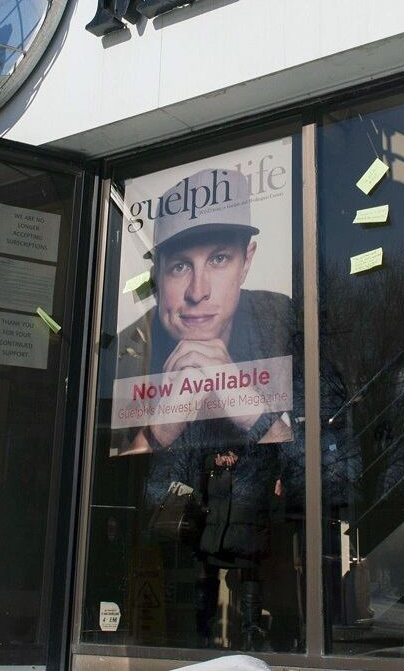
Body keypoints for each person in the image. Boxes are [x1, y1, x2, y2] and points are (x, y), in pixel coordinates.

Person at [114, 168, 303, 649]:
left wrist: (253, 408)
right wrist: (158, 431)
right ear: (157, 274)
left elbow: (327, 479)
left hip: (269, 576)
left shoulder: (285, 326)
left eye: (218, 259)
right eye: (180, 266)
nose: (198, 290)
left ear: (246, 262)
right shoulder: (129, 350)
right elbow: (119, 507)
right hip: (181, 576)